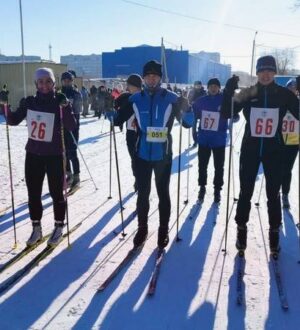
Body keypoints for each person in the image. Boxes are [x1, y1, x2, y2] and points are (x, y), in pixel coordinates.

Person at [106, 60, 194, 249]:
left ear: (160, 78)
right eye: (148, 76)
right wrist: (110, 109)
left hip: (163, 155)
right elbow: (117, 120)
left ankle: (163, 229)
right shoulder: (135, 99)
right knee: (143, 194)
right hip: (142, 154)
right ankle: (142, 228)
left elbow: (188, 123)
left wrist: (188, 108)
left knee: (163, 193)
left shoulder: (171, 98)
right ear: (144, 78)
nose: (152, 79)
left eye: (155, 76)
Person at [221, 55, 300, 254]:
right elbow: (226, 112)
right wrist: (229, 91)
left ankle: (274, 234)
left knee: (273, 194)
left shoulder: (284, 94)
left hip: (275, 150)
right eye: (262, 71)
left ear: (274, 73)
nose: (265, 74)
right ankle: (241, 230)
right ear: (257, 73)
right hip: (250, 150)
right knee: (245, 192)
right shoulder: (248, 93)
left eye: (269, 71)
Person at [0, 68, 76, 247]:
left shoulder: (59, 102)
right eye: (40, 81)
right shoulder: (29, 102)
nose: (44, 85)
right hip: (33, 155)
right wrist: (4, 105)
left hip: (55, 155)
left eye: (48, 81)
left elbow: (71, 126)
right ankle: (37, 228)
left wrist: (65, 107)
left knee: (57, 192)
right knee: (33, 193)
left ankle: (58, 226)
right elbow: (12, 120)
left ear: (53, 83)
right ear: (35, 84)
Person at [193, 78, 238, 204]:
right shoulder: (201, 101)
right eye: (211, 86)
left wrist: (235, 115)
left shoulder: (225, 99)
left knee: (219, 167)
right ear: (207, 88)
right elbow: (193, 112)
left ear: (219, 88)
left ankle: (217, 189)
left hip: (219, 140)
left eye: (215, 86)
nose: (213, 88)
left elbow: (234, 112)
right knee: (202, 166)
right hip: (204, 139)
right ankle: (202, 187)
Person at [113, 74, 142, 191]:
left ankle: (141, 179)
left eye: (129, 84)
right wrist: (112, 107)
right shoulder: (125, 96)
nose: (127, 87)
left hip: (142, 133)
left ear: (136, 86)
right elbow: (116, 106)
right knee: (133, 158)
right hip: (130, 132)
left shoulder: (144, 97)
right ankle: (137, 178)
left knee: (141, 159)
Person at [61, 71, 82, 190]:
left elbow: (78, 109)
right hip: (62, 127)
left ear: (72, 81)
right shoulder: (60, 93)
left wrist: (73, 121)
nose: (66, 83)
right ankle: (68, 174)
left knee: (72, 152)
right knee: (64, 153)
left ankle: (77, 176)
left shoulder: (75, 93)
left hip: (73, 126)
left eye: (68, 81)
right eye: (64, 81)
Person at [280, 79, 299, 209]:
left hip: (293, 142)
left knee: (287, 170)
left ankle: (285, 194)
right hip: (278, 141)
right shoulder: (280, 103)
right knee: (276, 169)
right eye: (289, 89)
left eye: (293, 89)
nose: (291, 92)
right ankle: (275, 191)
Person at [188, 81, 207, 147]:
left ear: (201, 85)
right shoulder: (192, 92)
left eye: (199, 85)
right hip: (194, 111)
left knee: (201, 127)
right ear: (194, 85)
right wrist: (191, 103)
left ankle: (200, 138)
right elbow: (189, 100)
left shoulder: (204, 92)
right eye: (196, 85)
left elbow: (206, 101)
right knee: (193, 126)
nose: (198, 87)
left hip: (202, 112)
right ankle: (195, 140)